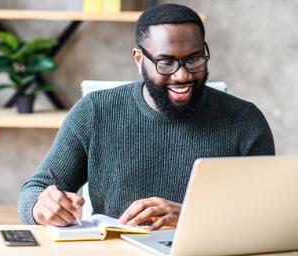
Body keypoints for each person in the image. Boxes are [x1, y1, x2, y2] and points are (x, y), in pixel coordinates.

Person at [18, 3, 275, 230]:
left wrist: (189, 216)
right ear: (139, 59)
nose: (182, 75)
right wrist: (41, 206)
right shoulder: (95, 112)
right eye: (165, 63)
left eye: (194, 59)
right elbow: (33, 191)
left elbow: (268, 214)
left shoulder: (245, 121)